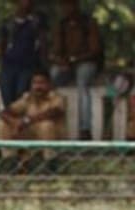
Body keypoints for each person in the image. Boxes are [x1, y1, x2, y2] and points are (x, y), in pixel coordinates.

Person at [50, 0, 102, 139]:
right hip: (67, 65)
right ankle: (50, 120)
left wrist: (74, 59)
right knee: (51, 77)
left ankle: (85, 129)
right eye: (64, 5)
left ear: (76, 5)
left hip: (86, 62)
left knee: (82, 85)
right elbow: (56, 49)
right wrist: (60, 60)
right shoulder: (61, 25)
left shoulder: (89, 23)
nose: (66, 8)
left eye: (70, 4)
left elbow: (95, 50)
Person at [0, 0, 48, 112]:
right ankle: (10, 126)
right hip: (8, 65)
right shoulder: (7, 22)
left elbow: (43, 44)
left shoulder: (36, 22)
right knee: (7, 97)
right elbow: (1, 46)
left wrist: (43, 67)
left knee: (21, 96)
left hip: (28, 65)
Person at [2, 71, 66, 141]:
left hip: (54, 139)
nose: (38, 86)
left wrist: (26, 121)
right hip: (31, 136)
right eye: (35, 83)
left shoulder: (57, 98)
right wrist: (14, 122)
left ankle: (48, 152)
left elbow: (53, 112)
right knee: (4, 124)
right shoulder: (27, 98)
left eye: (41, 83)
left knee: (46, 125)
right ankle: (5, 151)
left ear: (49, 84)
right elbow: (5, 112)